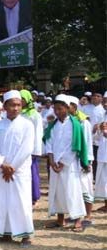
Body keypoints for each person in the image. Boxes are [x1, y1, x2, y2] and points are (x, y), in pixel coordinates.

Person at [0, 90, 35, 246]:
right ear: (5, 107)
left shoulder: (27, 124)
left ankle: (25, 235)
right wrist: (2, 164)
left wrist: (13, 167)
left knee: (21, 202)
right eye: (12, 105)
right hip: (2, 170)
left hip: (19, 171)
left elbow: (27, 148)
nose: (15, 108)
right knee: (2, 201)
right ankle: (5, 233)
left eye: (18, 105)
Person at [44, 94, 89, 231]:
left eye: (60, 109)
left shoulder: (75, 124)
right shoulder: (52, 125)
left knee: (72, 191)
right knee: (58, 191)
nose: (57, 112)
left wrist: (63, 162)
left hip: (69, 164)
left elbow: (75, 145)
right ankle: (60, 220)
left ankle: (78, 221)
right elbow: (48, 142)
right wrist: (51, 160)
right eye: (55, 109)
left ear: (67, 108)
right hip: (54, 163)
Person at [67, 96, 95, 226]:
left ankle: (88, 215)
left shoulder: (84, 122)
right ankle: (76, 214)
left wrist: (87, 161)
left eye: (69, 106)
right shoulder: (68, 121)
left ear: (74, 107)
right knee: (75, 188)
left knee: (85, 187)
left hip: (83, 160)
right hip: (72, 160)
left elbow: (87, 143)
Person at [20, 90, 44, 205]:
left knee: (32, 172)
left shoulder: (34, 115)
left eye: (23, 98)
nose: (21, 101)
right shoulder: (18, 113)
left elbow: (38, 133)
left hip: (30, 149)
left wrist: (36, 150)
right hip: (18, 148)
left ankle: (33, 196)